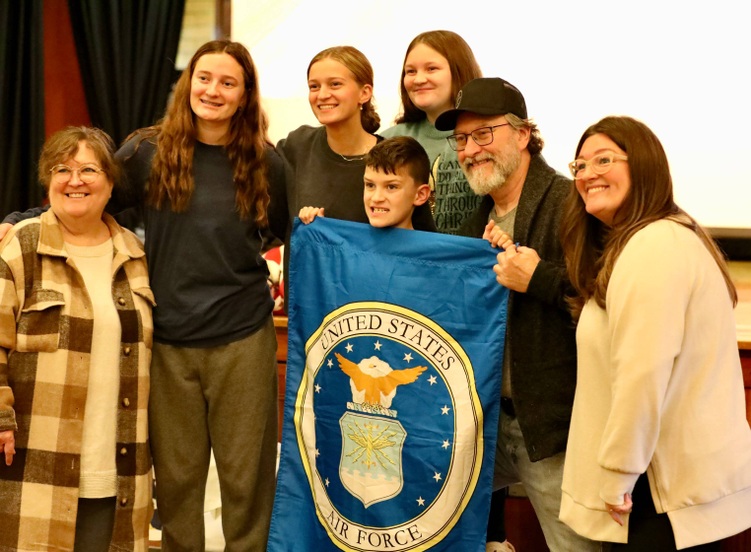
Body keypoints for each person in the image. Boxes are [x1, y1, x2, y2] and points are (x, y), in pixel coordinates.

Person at [2, 40, 287, 550]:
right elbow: (87, 192)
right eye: (204, 78)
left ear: (245, 95)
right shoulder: (147, 150)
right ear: (187, 83)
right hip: (168, 345)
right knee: (177, 485)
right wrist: (18, 221)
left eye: (228, 82)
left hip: (244, 340)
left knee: (247, 484)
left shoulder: (267, 161)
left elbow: (283, 233)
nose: (213, 91)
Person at [558, 115, 751, 550]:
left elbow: (641, 374)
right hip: (660, 491)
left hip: (653, 497)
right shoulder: (662, 238)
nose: (588, 175)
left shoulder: (654, 246)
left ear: (643, 165)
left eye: (603, 159)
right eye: (580, 166)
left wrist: (617, 475)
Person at [436, 77, 599, 551]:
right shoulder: (473, 222)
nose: (470, 150)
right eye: (462, 139)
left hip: (554, 431)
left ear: (523, 134)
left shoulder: (572, 205)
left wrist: (539, 280)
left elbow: (611, 299)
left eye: (484, 134)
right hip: (483, 426)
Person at [0, 126, 153, 551]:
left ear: (110, 182)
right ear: (48, 180)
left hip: (117, 468)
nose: (74, 180)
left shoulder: (135, 256)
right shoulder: (20, 247)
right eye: (61, 169)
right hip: (34, 466)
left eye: (88, 169)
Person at [381, 30, 484, 234]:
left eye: (431, 69)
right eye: (410, 71)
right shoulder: (387, 140)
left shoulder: (490, 135)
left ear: (459, 71)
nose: (419, 79)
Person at [298, 135, 430, 229]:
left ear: (420, 195)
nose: (377, 198)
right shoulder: (346, 246)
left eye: (391, 187)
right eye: (370, 185)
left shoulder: (433, 258)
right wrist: (318, 231)